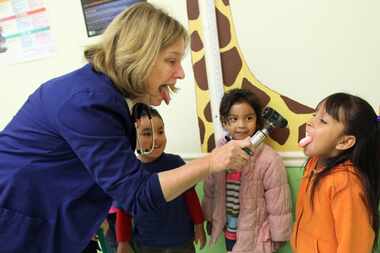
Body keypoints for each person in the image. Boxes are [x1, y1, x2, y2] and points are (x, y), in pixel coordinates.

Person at [0, 3, 252, 253]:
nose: (181, 73)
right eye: (171, 61)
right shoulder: (87, 102)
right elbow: (137, 194)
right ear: (139, 55)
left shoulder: (103, 95)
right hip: (17, 221)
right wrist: (211, 162)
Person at [202, 89, 292, 253]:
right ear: (224, 122)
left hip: (256, 233)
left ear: (258, 121)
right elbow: (210, 190)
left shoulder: (269, 159)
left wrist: (278, 235)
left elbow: (278, 201)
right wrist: (210, 218)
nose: (241, 125)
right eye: (234, 119)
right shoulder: (218, 154)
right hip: (229, 228)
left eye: (249, 118)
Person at [291, 92, 380, 253]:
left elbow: (354, 247)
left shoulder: (346, 184)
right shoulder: (314, 163)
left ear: (345, 142)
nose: (310, 122)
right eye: (314, 115)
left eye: (322, 120)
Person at [115, 107, 206, 253]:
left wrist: (198, 225)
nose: (156, 138)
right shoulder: (129, 171)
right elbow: (123, 211)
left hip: (181, 240)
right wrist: (123, 242)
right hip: (147, 243)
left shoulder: (176, 163)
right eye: (147, 133)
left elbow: (191, 197)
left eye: (161, 131)